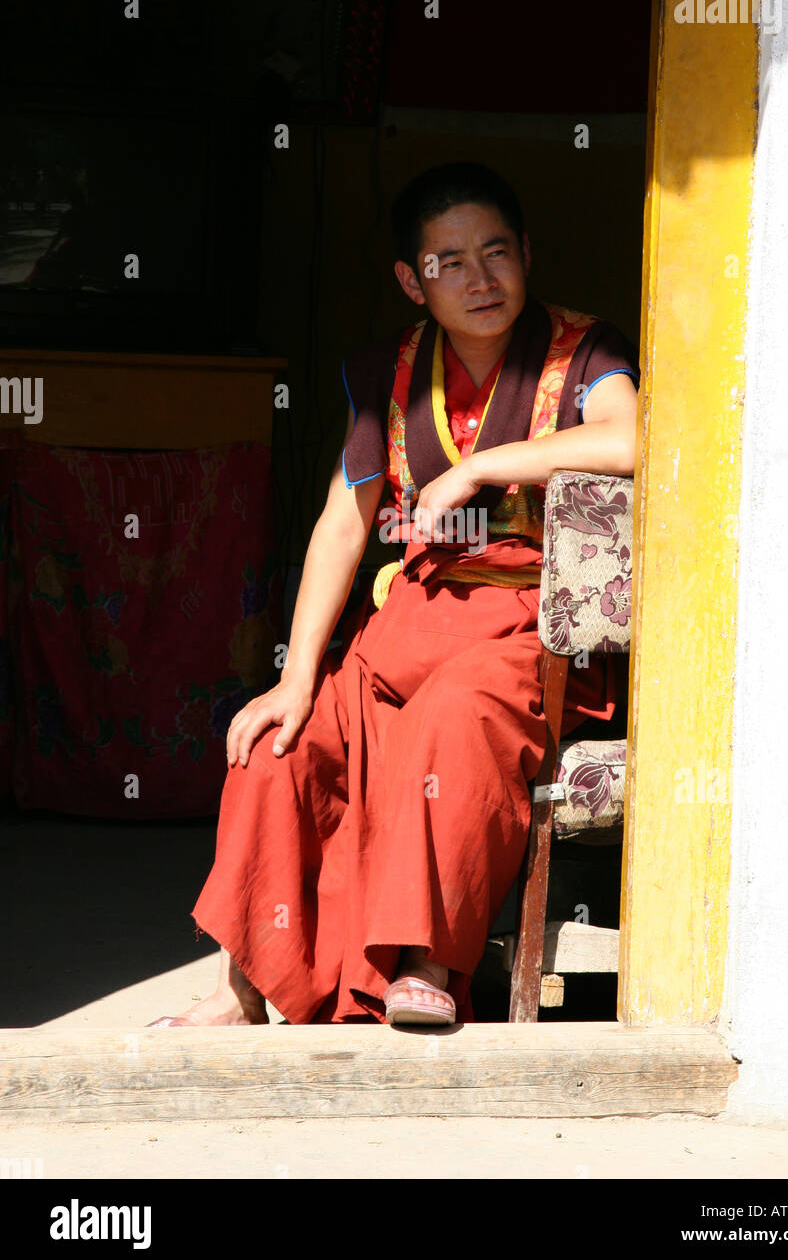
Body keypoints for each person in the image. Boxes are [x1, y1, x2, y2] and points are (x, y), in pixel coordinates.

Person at [148, 161, 639, 1028]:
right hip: (406, 628)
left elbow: (633, 440)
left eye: (496, 251)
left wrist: (485, 466)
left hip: (524, 641)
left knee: (456, 719)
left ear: (527, 253)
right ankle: (243, 986)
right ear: (413, 281)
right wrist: (296, 678)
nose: (480, 279)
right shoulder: (389, 373)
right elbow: (344, 525)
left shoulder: (585, 351)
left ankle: (430, 966)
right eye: (450, 262)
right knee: (279, 749)